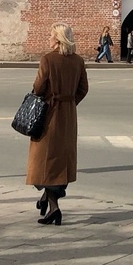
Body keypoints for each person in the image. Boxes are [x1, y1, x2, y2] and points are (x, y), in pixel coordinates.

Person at [26, 23, 89, 226]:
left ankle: (53, 208)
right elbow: (83, 88)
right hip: (68, 115)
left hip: (50, 114)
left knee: (44, 162)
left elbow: (38, 87)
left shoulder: (48, 59)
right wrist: (70, 102)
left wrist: (47, 99)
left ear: (58, 39)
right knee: (60, 161)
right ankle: (47, 200)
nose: (49, 38)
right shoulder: (78, 61)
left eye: (51, 35)